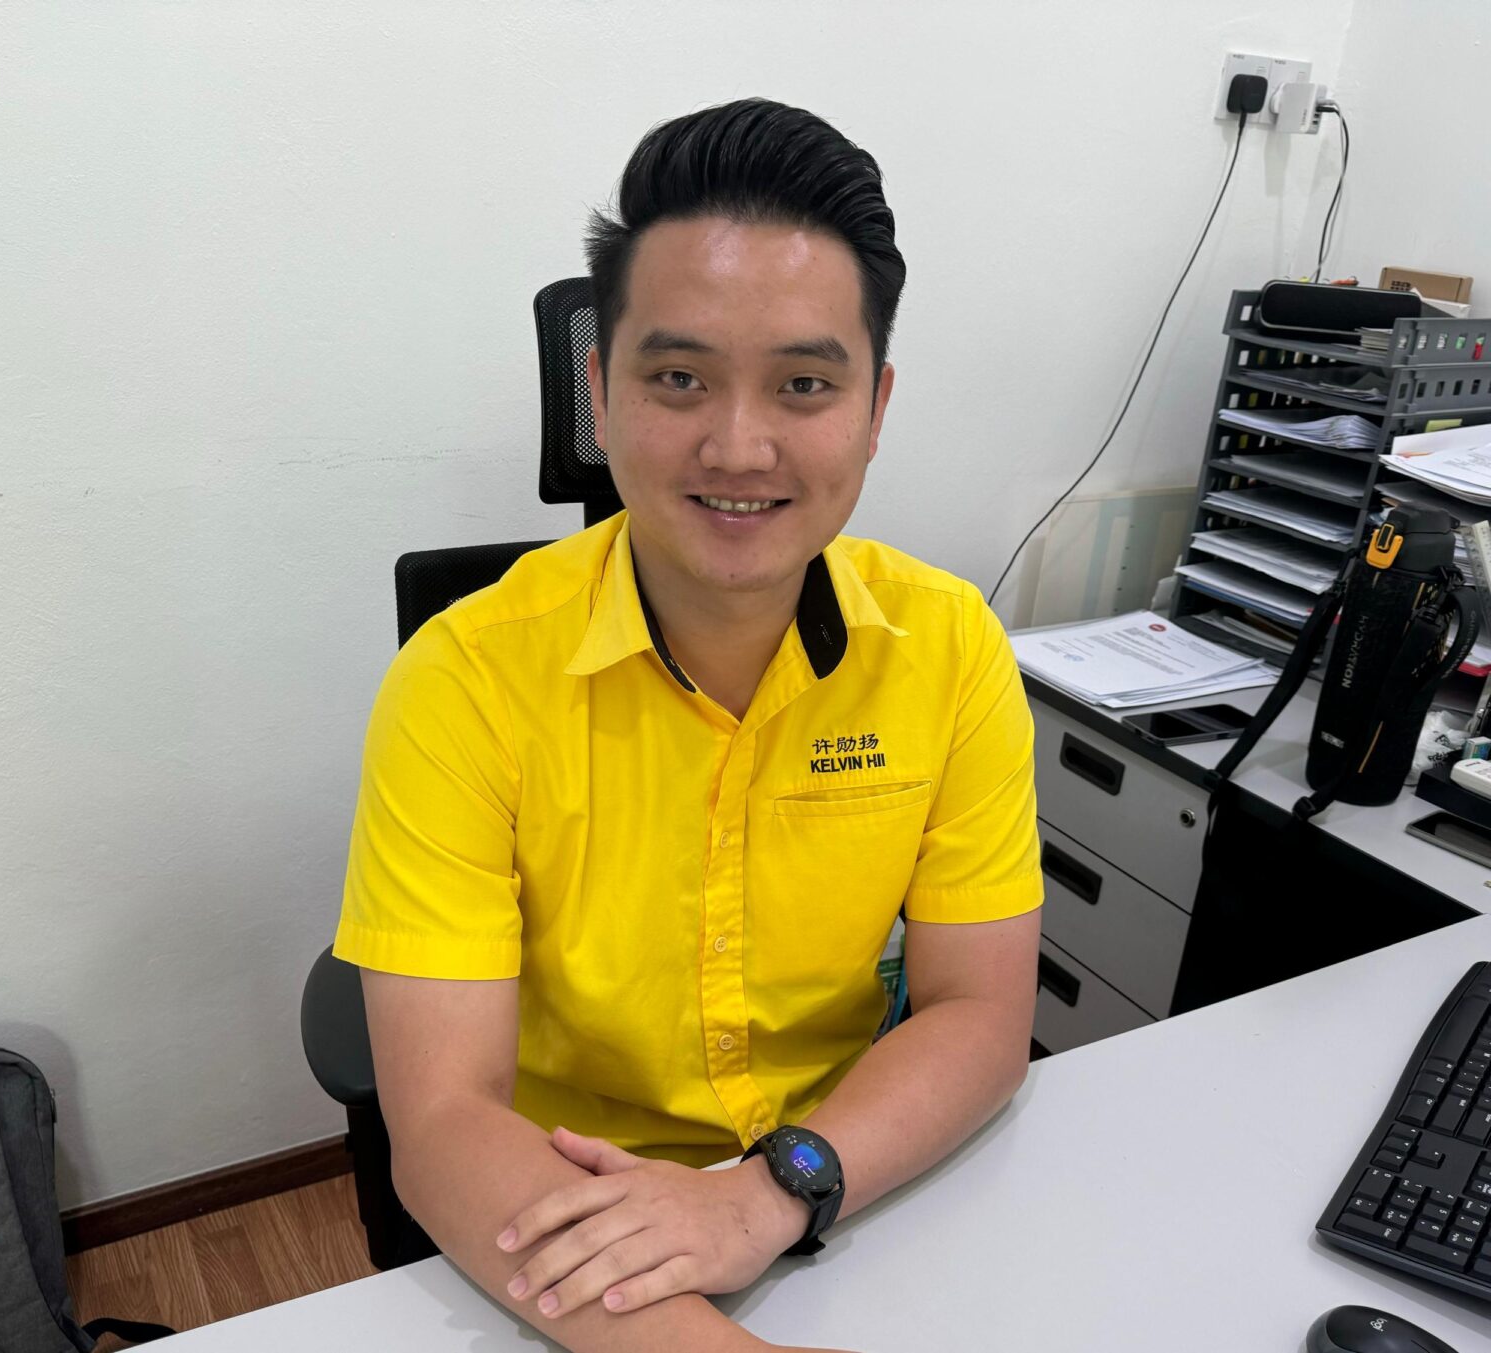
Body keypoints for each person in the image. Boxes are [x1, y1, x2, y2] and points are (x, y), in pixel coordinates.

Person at [334, 97, 1043, 1353]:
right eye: (678, 378)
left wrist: (769, 1193)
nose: (739, 445)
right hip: (561, 1216)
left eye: (804, 384)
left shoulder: (948, 649)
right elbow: (442, 1121)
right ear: (600, 396)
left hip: (853, 1189)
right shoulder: (463, 681)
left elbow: (982, 1013)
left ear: (875, 408)